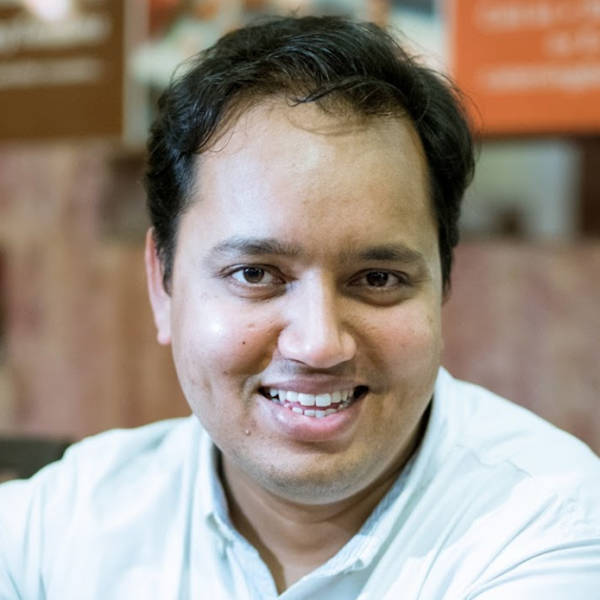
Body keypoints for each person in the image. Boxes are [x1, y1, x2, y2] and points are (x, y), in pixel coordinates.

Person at [1, 15, 599, 600]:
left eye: (378, 278)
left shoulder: (552, 527)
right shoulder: (54, 531)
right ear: (163, 283)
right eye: (255, 274)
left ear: (442, 283)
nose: (318, 344)